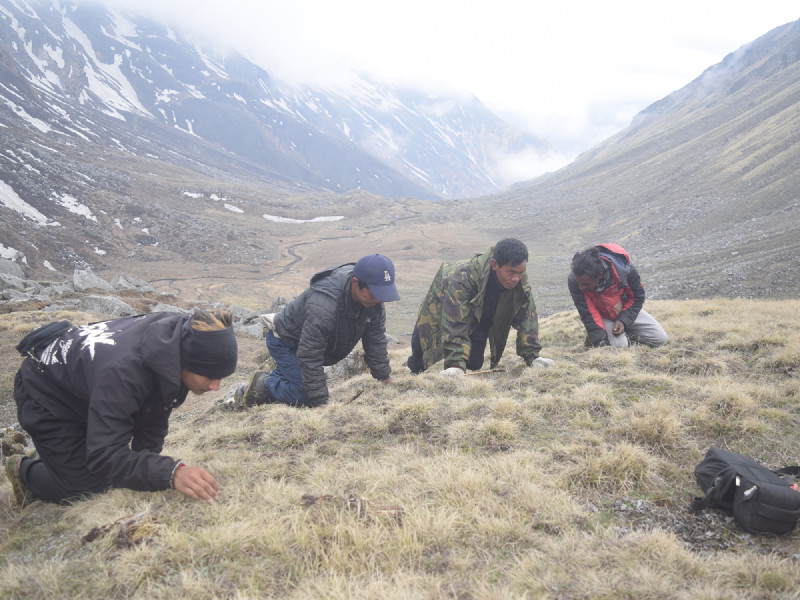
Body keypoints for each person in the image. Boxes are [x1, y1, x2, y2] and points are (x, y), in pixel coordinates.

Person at [5, 309, 237, 508]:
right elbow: (104, 456)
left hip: (88, 387)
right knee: (86, 487)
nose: (216, 387)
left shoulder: (177, 344)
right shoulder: (124, 373)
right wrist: (170, 473)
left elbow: (156, 408)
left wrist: (147, 466)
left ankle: (63, 455)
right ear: (187, 362)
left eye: (221, 378)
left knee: (117, 469)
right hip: (45, 393)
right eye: (210, 376)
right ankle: (23, 470)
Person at [234, 254, 400, 408]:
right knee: (305, 396)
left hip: (308, 343)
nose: (379, 299)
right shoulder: (325, 304)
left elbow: (375, 338)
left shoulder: (373, 300)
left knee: (301, 383)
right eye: (374, 294)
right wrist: (319, 401)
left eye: (382, 293)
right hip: (286, 342)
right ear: (356, 283)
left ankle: (278, 381)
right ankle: (263, 382)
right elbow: (310, 352)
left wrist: (384, 377)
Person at [407, 238, 553, 375]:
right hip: (440, 305)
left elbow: (527, 316)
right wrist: (456, 365)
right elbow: (456, 322)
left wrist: (533, 357)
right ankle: (414, 374)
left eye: (521, 273)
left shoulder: (519, 278)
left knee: (474, 364)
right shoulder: (463, 277)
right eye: (511, 273)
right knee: (422, 353)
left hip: (482, 312)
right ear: (495, 265)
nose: (516, 278)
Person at [568, 243, 668, 348]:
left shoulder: (625, 271)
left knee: (660, 339)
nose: (581, 287)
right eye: (578, 283)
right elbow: (588, 313)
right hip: (602, 317)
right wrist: (601, 341)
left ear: (600, 276)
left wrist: (624, 321)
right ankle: (612, 337)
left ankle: (625, 332)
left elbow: (636, 298)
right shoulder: (575, 279)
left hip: (625, 310)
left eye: (585, 284)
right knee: (620, 346)